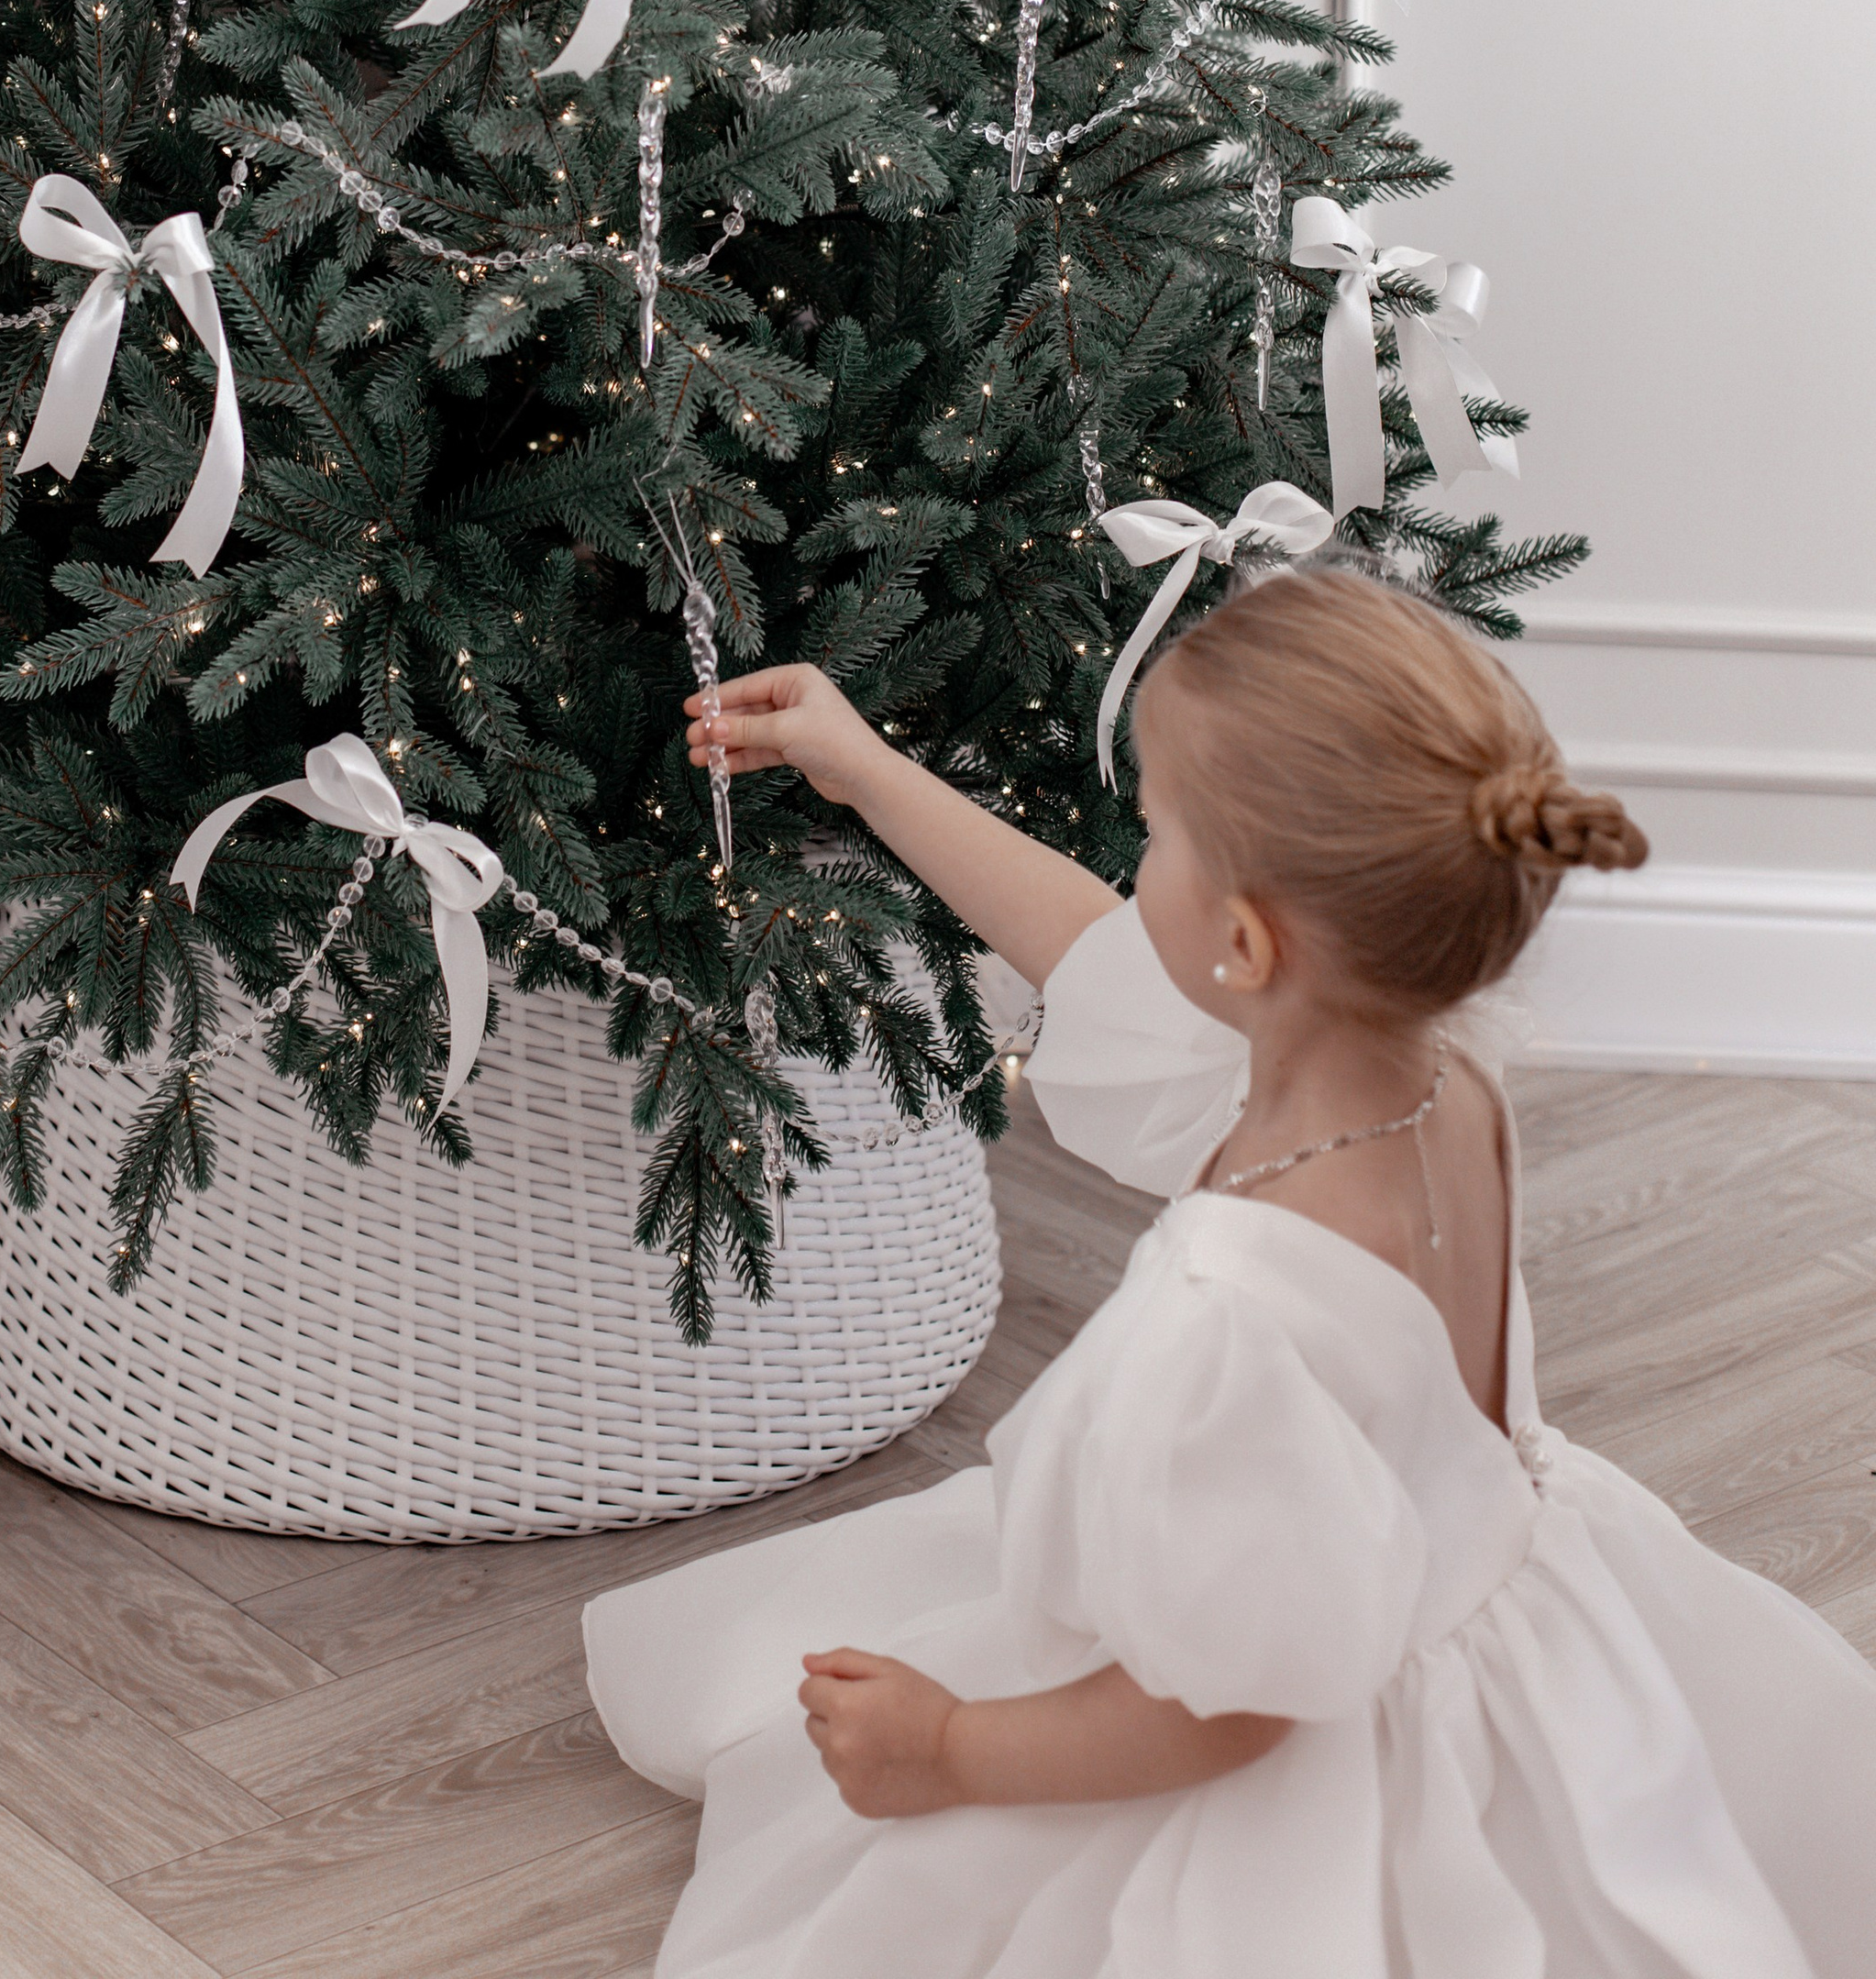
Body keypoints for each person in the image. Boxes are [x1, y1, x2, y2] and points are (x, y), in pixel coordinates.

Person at [582, 567, 1876, 1978]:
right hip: (1505, 1614)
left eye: (1157, 836)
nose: (1140, 871)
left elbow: (1228, 1716)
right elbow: (1092, 952)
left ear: (1249, 944)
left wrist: (948, 1747)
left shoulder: (1229, 1313)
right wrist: (867, 773)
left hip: (1294, 1715)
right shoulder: (1439, 1074)